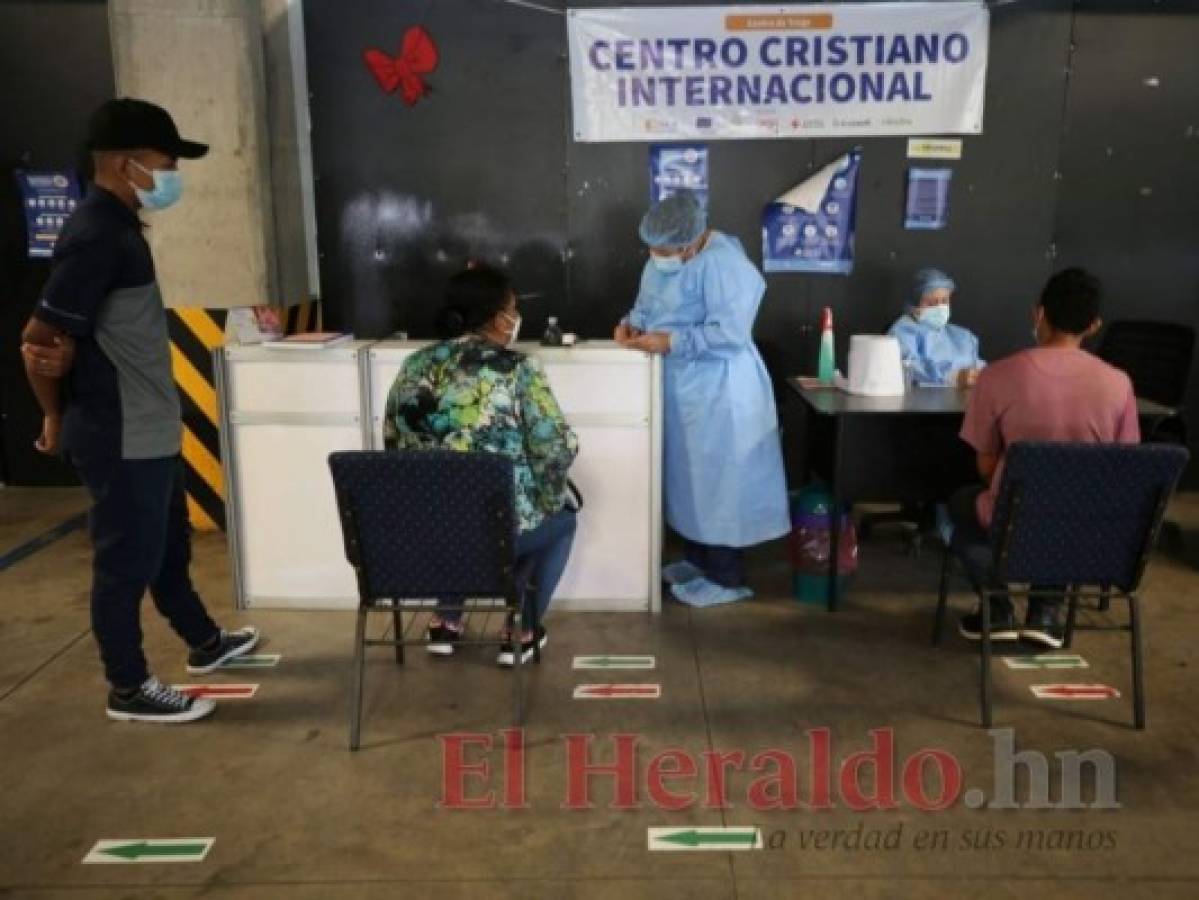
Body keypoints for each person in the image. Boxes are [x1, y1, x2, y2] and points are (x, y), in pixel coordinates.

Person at [20, 98, 259, 724]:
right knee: (125, 564)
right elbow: (39, 337)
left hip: (148, 428)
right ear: (127, 165)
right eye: (165, 161)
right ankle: (128, 687)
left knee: (165, 550)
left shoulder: (121, 228)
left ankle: (205, 644)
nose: (172, 172)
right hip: (120, 433)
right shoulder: (97, 234)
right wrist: (51, 415)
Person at [384, 264, 579, 665]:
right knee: (557, 521)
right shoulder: (517, 369)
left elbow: (393, 445)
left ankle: (445, 621)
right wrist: (547, 496)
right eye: (512, 308)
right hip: (496, 531)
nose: (515, 318)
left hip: (424, 533)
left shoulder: (414, 366)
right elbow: (555, 447)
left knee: (459, 511)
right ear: (496, 318)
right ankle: (520, 630)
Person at [615, 192, 789, 606]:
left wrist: (672, 340)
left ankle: (727, 577)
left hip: (721, 389)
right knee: (688, 479)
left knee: (719, 483)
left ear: (692, 241)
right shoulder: (665, 258)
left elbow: (730, 334)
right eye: (653, 250)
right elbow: (648, 303)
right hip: (681, 386)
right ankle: (697, 561)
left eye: (666, 250)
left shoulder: (725, 266)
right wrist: (630, 324)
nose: (658, 257)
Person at [953, 267, 1140, 648]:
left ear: (1038, 313)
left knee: (961, 504)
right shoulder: (1119, 384)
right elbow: (1126, 471)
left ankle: (998, 607)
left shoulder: (997, 377)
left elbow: (986, 464)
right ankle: (1046, 612)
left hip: (1014, 522)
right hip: (1089, 530)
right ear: (1094, 324)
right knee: (1063, 510)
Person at [889, 268, 985, 388]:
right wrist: (953, 376)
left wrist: (980, 375)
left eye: (944, 301)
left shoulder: (962, 336)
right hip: (921, 403)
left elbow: (979, 367)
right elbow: (908, 368)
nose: (940, 307)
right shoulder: (903, 332)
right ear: (913, 306)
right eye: (931, 303)